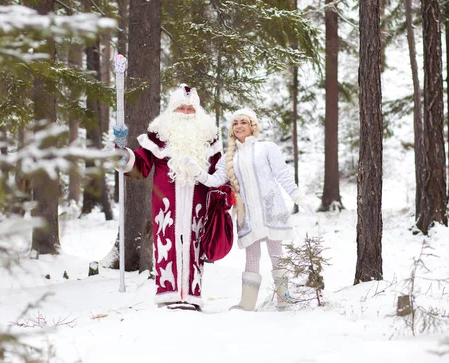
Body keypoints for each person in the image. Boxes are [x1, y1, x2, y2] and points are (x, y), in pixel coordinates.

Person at [190, 108, 316, 311]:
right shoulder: (228, 158)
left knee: (277, 254)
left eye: (243, 122)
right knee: (252, 256)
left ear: (252, 126)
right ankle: (247, 303)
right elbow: (214, 181)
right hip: (247, 214)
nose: (239, 126)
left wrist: (299, 197)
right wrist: (196, 171)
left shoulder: (267, 148)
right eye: (235, 123)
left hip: (271, 209)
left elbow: (282, 174)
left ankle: (284, 298)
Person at [113, 84, 222, 311]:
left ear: (198, 112)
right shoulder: (159, 135)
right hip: (166, 204)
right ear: (172, 110)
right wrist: (122, 151)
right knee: (167, 243)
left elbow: (219, 171)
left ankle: (192, 295)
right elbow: (140, 165)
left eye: (190, 109)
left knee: (194, 245)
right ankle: (168, 295)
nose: (185, 113)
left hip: (198, 203)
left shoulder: (210, 137)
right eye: (180, 108)